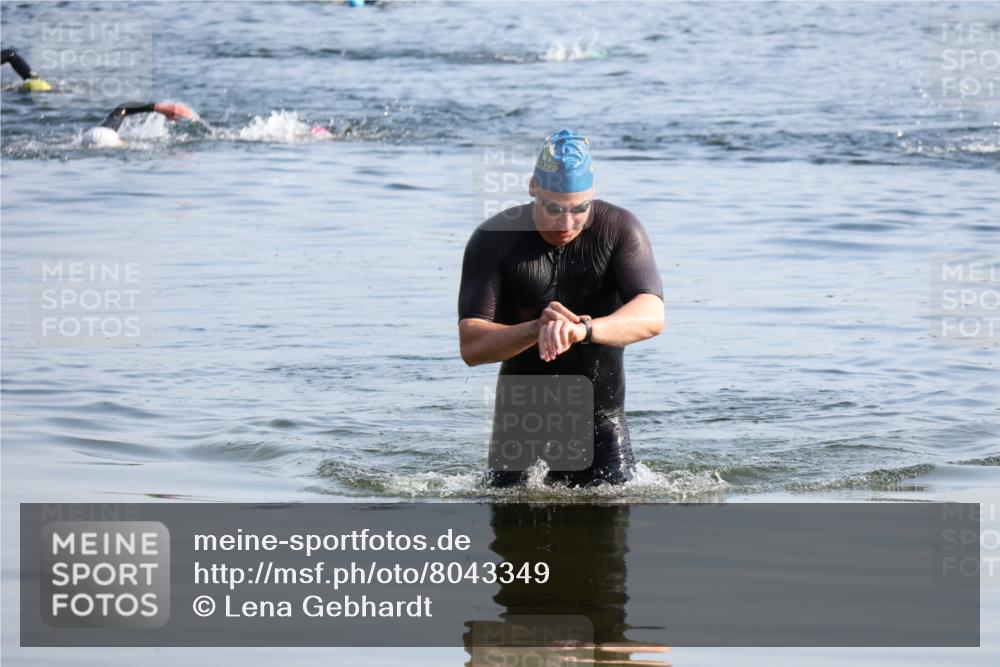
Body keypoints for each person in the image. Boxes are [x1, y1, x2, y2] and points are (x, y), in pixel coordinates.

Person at [458, 129, 664, 488]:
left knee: (608, 533)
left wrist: (582, 330)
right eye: (553, 208)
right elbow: (472, 346)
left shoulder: (619, 230)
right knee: (512, 538)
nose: (566, 224)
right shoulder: (493, 240)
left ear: (592, 195)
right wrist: (535, 329)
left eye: (579, 209)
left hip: (602, 420)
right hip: (519, 424)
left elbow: (652, 315)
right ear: (533, 187)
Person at [83, 101, 197, 147]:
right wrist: (160, 107)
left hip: (88, 137)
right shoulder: (109, 135)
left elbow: (124, 107)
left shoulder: (104, 132)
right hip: (104, 135)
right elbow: (125, 107)